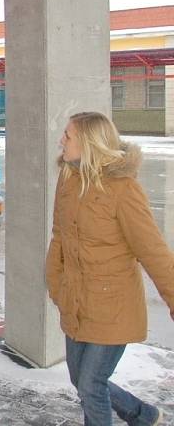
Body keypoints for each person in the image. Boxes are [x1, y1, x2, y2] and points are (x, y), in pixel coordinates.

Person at [46, 111, 174, 426]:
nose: (62, 140)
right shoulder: (67, 179)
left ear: (89, 143)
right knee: (81, 380)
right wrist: (55, 282)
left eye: (68, 135)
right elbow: (59, 238)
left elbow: (152, 250)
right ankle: (142, 415)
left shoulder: (123, 189)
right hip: (76, 301)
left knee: (90, 385)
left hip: (112, 304)